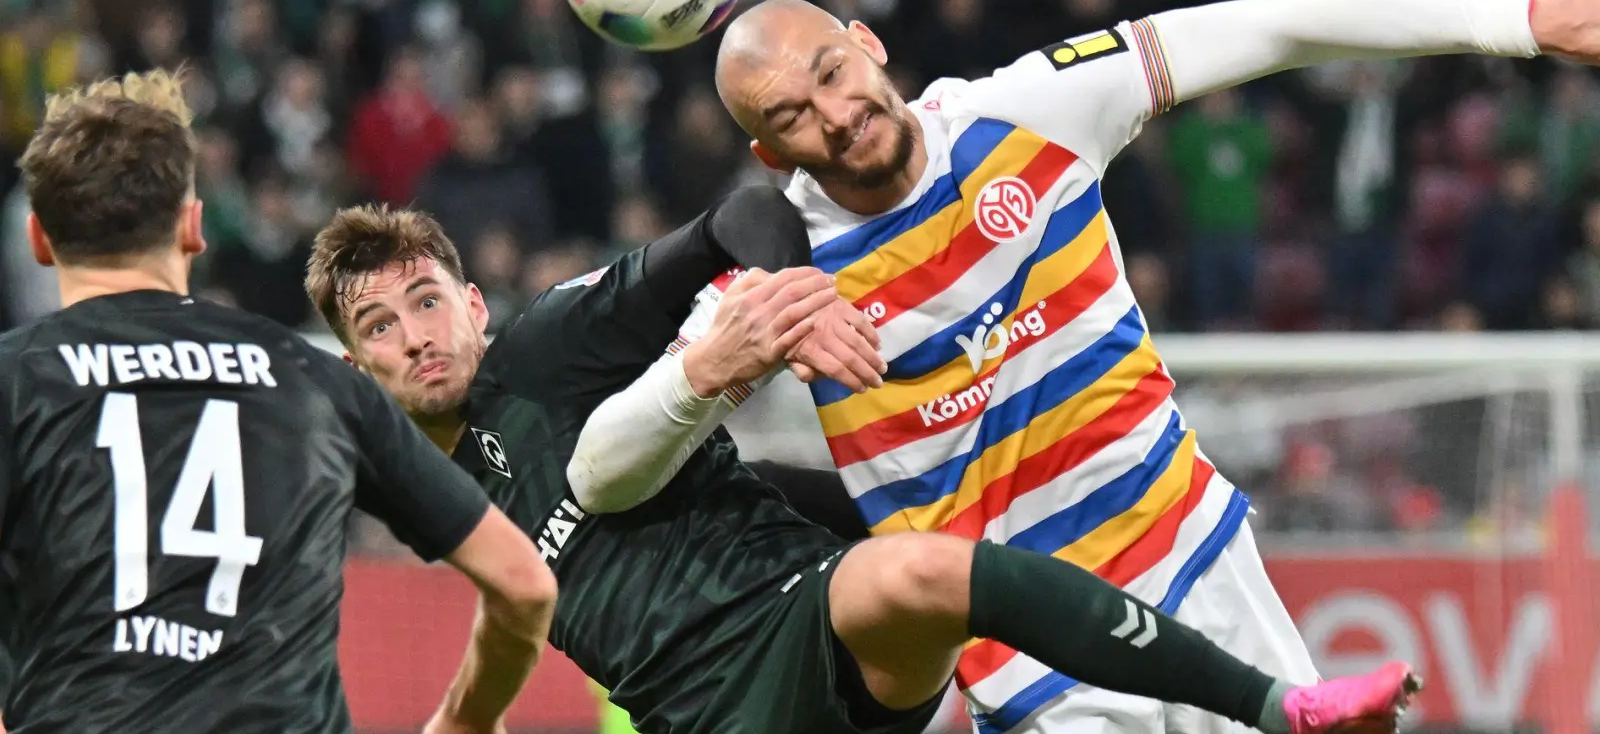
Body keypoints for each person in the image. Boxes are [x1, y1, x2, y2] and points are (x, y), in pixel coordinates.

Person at [705, 0, 1600, 733]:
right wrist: (710, 364)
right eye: (793, 114)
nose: (837, 114)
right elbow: (594, 421)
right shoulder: (774, 276)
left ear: (867, 43)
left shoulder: (1026, 113)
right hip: (1037, 657)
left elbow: (1274, 25)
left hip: (1198, 561)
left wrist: (1520, 21)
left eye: (833, 71)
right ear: (768, 149)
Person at [304, 191, 1420, 734]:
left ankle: (1279, 708)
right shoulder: (411, 490)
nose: (416, 335)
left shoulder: (553, 343)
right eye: (381, 328)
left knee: (923, 574)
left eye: (426, 301)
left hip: (802, 617)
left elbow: (741, 213)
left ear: (474, 304)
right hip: (697, 714)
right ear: (359, 366)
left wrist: (799, 294)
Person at [0, 71, 558, 734]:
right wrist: (468, 719)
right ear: (192, 227)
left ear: (39, 239)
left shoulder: (16, 380)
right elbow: (525, 583)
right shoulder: (313, 379)